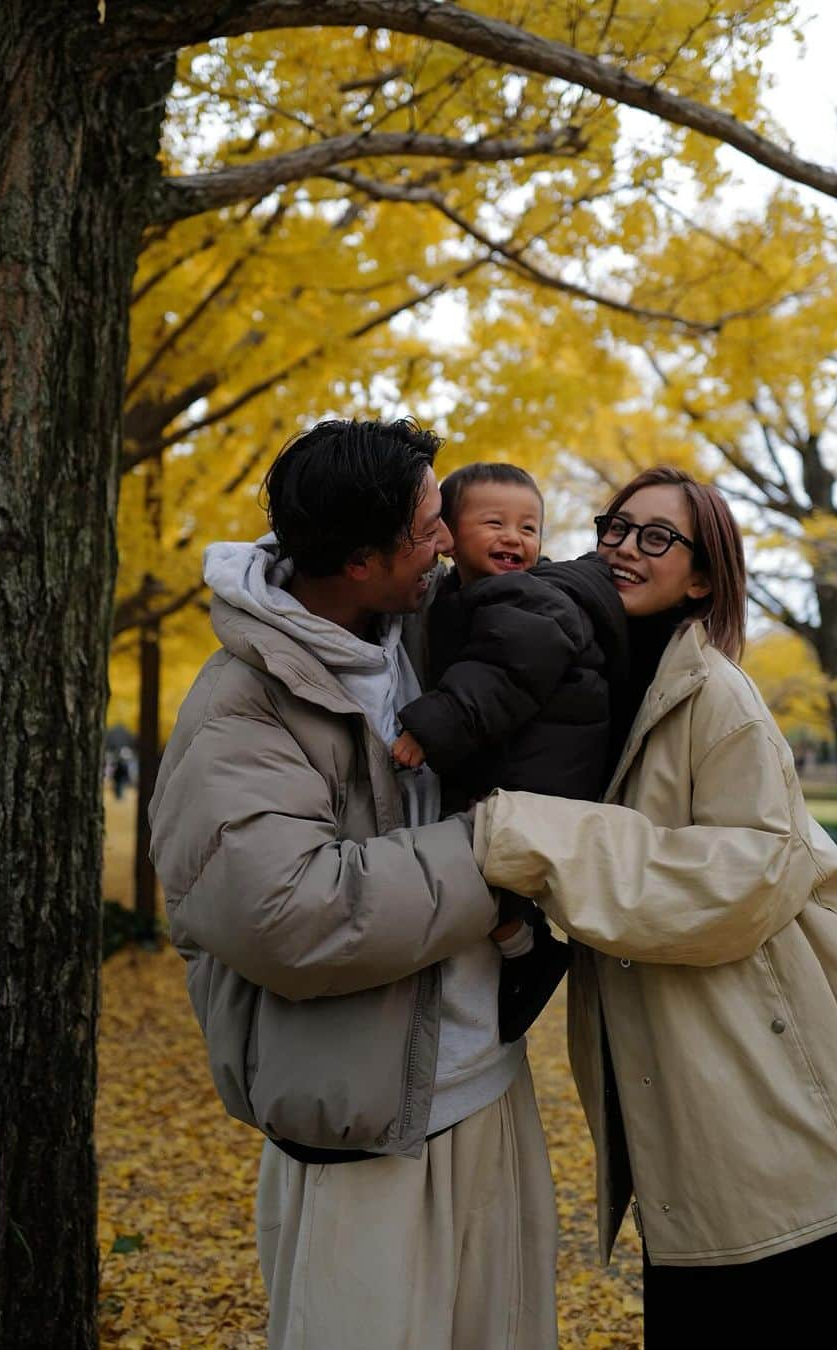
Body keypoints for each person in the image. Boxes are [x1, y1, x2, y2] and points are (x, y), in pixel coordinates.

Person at [470, 466, 837, 1348]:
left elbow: (746, 877)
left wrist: (525, 834)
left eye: (656, 537)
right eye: (615, 528)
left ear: (705, 576)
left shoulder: (716, 694)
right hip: (686, 1089)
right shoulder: (611, 684)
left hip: (760, 1086)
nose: (622, 549)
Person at [148, 419, 557, 1350]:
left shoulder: (436, 626)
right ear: (363, 561)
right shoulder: (238, 704)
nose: (449, 537)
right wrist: (500, 851)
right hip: (364, 1125)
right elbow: (287, 915)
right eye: (427, 526)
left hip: (489, 1086)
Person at [391, 462, 628, 1041]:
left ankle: (532, 956)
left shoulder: (529, 599)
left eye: (529, 527)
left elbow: (501, 674)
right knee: (475, 873)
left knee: (473, 871)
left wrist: (430, 728)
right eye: (493, 522)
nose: (514, 537)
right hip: (518, 765)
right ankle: (525, 950)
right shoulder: (455, 596)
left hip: (545, 774)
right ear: (445, 531)